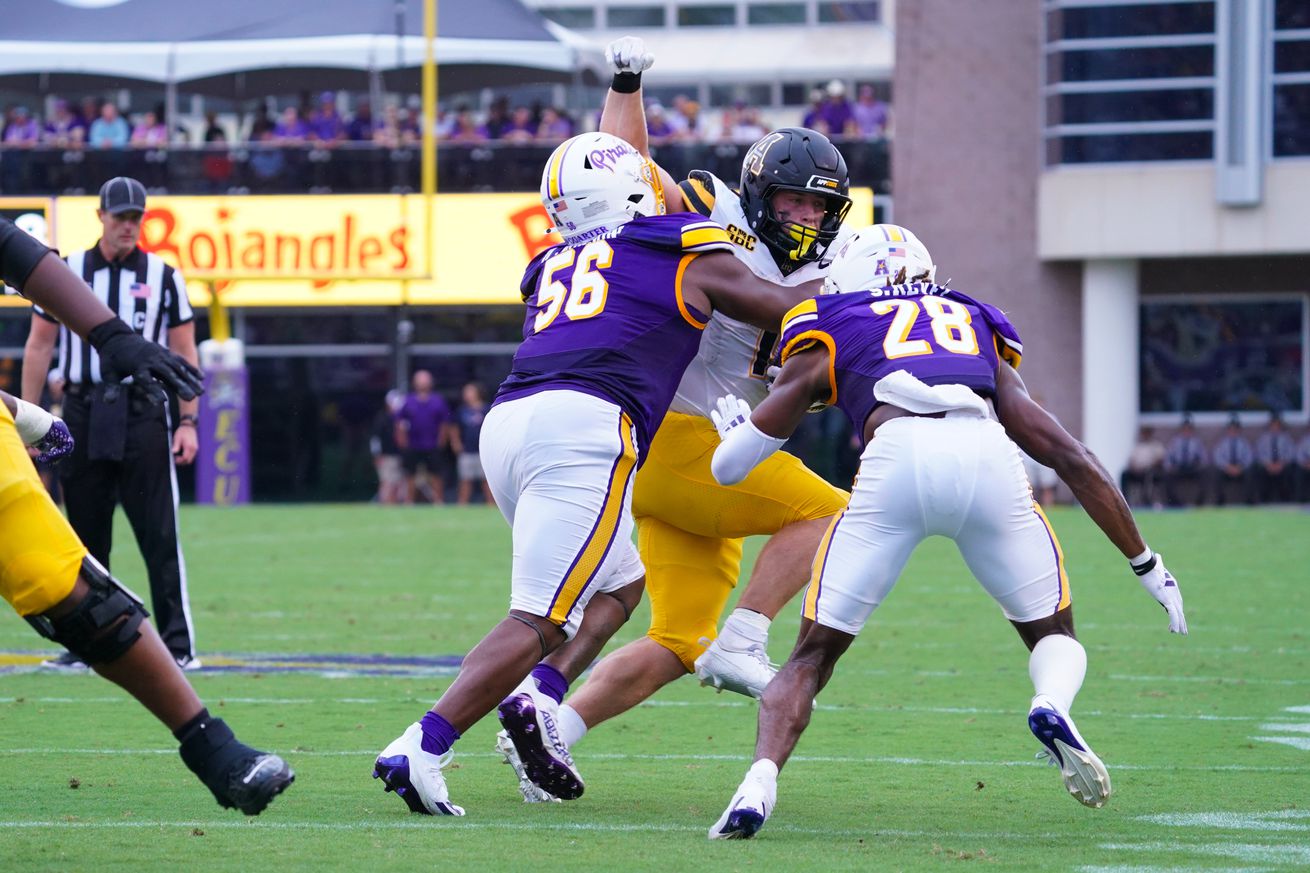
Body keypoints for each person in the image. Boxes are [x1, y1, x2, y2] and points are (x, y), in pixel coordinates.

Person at [371, 130, 819, 816]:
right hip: (583, 429)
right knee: (542, 617)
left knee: (620, 583)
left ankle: (541, 698)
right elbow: (780, 304)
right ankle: (422, 744)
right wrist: (866, 289)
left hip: (509, 424)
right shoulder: (672, 246)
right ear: (632, 191)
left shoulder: (552, 257)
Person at [705, 225, 1187, 839]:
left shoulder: (834, 318)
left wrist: (734, 437)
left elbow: (732, 468)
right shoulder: (974, 319)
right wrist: (1145, 562)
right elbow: (1068, 454)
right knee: (1052, 634)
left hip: (896, 457)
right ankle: (1050, 705)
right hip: (984, 449)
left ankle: (758, 786)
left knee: (811, 657)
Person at [493, 36, 854, 803]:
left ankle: (548, 726)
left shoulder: (832, 266)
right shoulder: (712, 209)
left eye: (821, 206)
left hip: (710, 446)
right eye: (794, 201)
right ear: (762, 195)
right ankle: (748, 637)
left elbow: (820, 370)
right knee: (831, 513)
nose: (806, 217)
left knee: (677, 637)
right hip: (679, 435)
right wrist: (626, 84)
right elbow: (617, 166)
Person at [0, 214, 293, 814]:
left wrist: (110, 336)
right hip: (83, 408)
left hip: (131, 415)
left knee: (80, 589)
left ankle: (212, 749)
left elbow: (16, 253)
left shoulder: (161, 276)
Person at [22, 177, 202, 670]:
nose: (128, 226)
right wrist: (28, 421)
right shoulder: (67, 271)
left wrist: (188, 421)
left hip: (143, 410)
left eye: (135, 218)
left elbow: (186, 353)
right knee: (82, 539)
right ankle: (87, 645)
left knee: (159, 535)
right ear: (100, 216)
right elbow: (39, 346)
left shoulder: (164, 275)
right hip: (81, 410)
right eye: (119, 216)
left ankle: (178, 645)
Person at [395, 369, 450, 505]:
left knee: (436, 474)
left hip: (432, 444)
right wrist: (402, 439)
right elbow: (399, 422)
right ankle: (409, 501)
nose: (423, 383)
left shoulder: (438, 401)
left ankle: (438, 501)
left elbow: (445, 423)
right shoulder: (408, 400)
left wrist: (442, 440)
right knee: (410, 474)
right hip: (413, 444)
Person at [450, 381, 493, 506]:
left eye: (470, 391)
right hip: (467, 450)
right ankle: (462, 504)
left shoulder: (487, 409)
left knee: (487, 481)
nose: (467, 394)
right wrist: (456, 442)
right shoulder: (462, 411)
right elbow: (454, 428)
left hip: (484, 452)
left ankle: (492, 505)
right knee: (465, 479)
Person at [370, 389, 406, 505]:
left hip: (400, 456)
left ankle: (393, 506)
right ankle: (385, 505)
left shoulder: (403, 419)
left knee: (399, 484)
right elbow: (375, 439)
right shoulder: (382, 418)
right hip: (386, 456)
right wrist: (377, 455)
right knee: (387, 483)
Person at [1210, 415, 1254, 505]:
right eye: (1231, 429)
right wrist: (1228, 467)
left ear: (1239, 430)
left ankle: (1249, 501)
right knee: (1216, 473)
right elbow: (1217, 458)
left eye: (1235, 429)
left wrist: (1240, 467)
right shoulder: (1222, 443)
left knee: (1250, 473)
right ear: (1227, 430)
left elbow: (1249, 458)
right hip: (1226, 469)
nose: (1233, 431)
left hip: (1241, 469)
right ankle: (1220, 501)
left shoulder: (1244, 443)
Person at [1163, 417, 1207, 506]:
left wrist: (1199, 465)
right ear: (1181, 429)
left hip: (1192, 468)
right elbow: (1168, 457)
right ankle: (1174, 503)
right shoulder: (1175, 442)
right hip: (1178, 468)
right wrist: (1170, 466)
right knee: (1167, 476)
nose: (1187, 431)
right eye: (1185, 428)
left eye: (1189, 429)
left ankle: (1199, 503)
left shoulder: (1196, 442)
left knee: (1205, 475)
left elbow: (1204, 458)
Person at [1120, 425, 1166, 507]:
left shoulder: (1156, 445)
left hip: (1149, 470)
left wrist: (1147, 467)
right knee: (1124, 474)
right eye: (1144, 433)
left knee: (1148, 475)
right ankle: (1124, 500)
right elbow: (1131, 460)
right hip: (1136, 471)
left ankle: (1147, 501)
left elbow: (1159, 459)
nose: (1145, 435)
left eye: (1147, 433)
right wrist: (1134, 467)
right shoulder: (1138, 446)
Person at [1253, 415, 1296, 502]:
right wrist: (1268, 464)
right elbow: (1257, 453)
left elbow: (1292, 453)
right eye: (1273, 425)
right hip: (1267, 465)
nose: (1275, 427)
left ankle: (1285, 499)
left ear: (1280, 426)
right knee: (1259, 470)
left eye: (1277, 425)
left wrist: (1282, 464)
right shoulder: (1263, 438)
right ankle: (1264, 499)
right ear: (1270, 426)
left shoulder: (1286, 438)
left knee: (1289, 471)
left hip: (1282, 465)